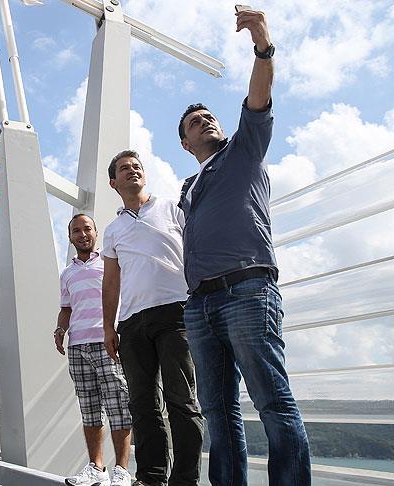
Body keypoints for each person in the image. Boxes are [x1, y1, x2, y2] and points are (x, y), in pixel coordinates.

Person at [176, 8, 310, 485]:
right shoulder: (188, 188)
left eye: (208, 116)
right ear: (185, 143)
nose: (206, 121)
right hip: (200, 304)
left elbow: (258, 98)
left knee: (272, 400)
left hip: (248, 291)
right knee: (217, 411)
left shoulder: (244, 148)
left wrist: (262, 44)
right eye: (195, 122)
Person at [101, 151, 204, 485]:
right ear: (113, 182)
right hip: (131, 323)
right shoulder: (112, 230)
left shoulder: (173, 209)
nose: (132, 171)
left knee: (181, 400)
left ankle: (185, 480)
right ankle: (150, 477)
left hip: (176, 313)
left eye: (137, 167)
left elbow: (197, 249)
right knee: (142, 405)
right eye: (124, 168)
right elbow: (111, 282)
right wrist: (108, 327)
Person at [56, 213, 133, 486]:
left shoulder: (110, 264)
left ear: (96, 233)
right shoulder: (67, 274)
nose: (82, 234)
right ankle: (96, 468)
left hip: (108, 342)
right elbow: (66, 309)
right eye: (76, 231)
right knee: (89, 409)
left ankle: (121, 471)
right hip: (77, 346)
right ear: (70, 238)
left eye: (87, 229)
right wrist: (60, 330)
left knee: (118, 405)